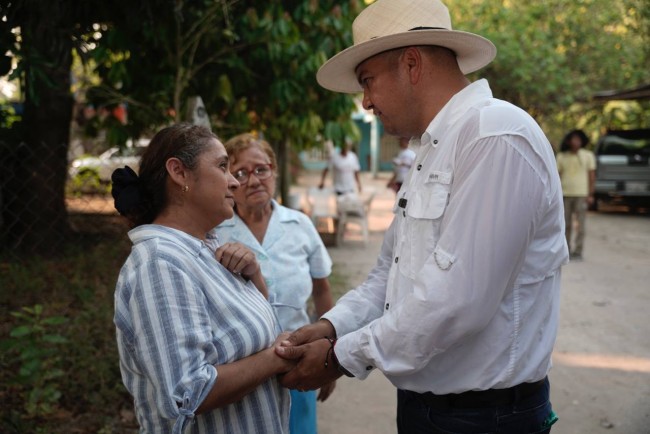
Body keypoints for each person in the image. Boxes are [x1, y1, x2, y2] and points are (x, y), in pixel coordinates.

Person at [274, 0, 569, 433]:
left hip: (486, 417)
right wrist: (330, 326)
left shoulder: (494, 135)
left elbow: (458, 299)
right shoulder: (432, 151)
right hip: (428, 406)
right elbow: (388, 279)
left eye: (368, 81)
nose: (368, 101)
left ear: (411, 64)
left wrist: (340, 357)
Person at [111, 123, 292, 433]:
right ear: (179, 172)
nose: (234, 182)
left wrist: (255, 277)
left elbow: (254, 332)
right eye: (223, 166)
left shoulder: (208, 247)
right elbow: (188, 392)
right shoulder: (161, 264)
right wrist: (279, 357)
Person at [214, 133, 336, 434]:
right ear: (228, 181)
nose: (253, 181)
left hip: (299, 365)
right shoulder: (216, 233)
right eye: (240, 173)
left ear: (274, 171)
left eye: (261, 169)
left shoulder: (300, 225)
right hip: (241, 371)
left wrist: (331, 353)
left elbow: (322, 289)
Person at [556, 129, 596, 261]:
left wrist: (590, 194)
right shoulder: (562, 156)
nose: (576, 142)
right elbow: (557, 176)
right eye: (573, 139)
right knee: (565, 224)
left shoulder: (588, 155)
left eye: (578, 139)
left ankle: (578, 251)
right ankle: (565, 249)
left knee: (580, 225)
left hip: (581, 194)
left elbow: (591, 176)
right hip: (565, 194)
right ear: (568, 141)